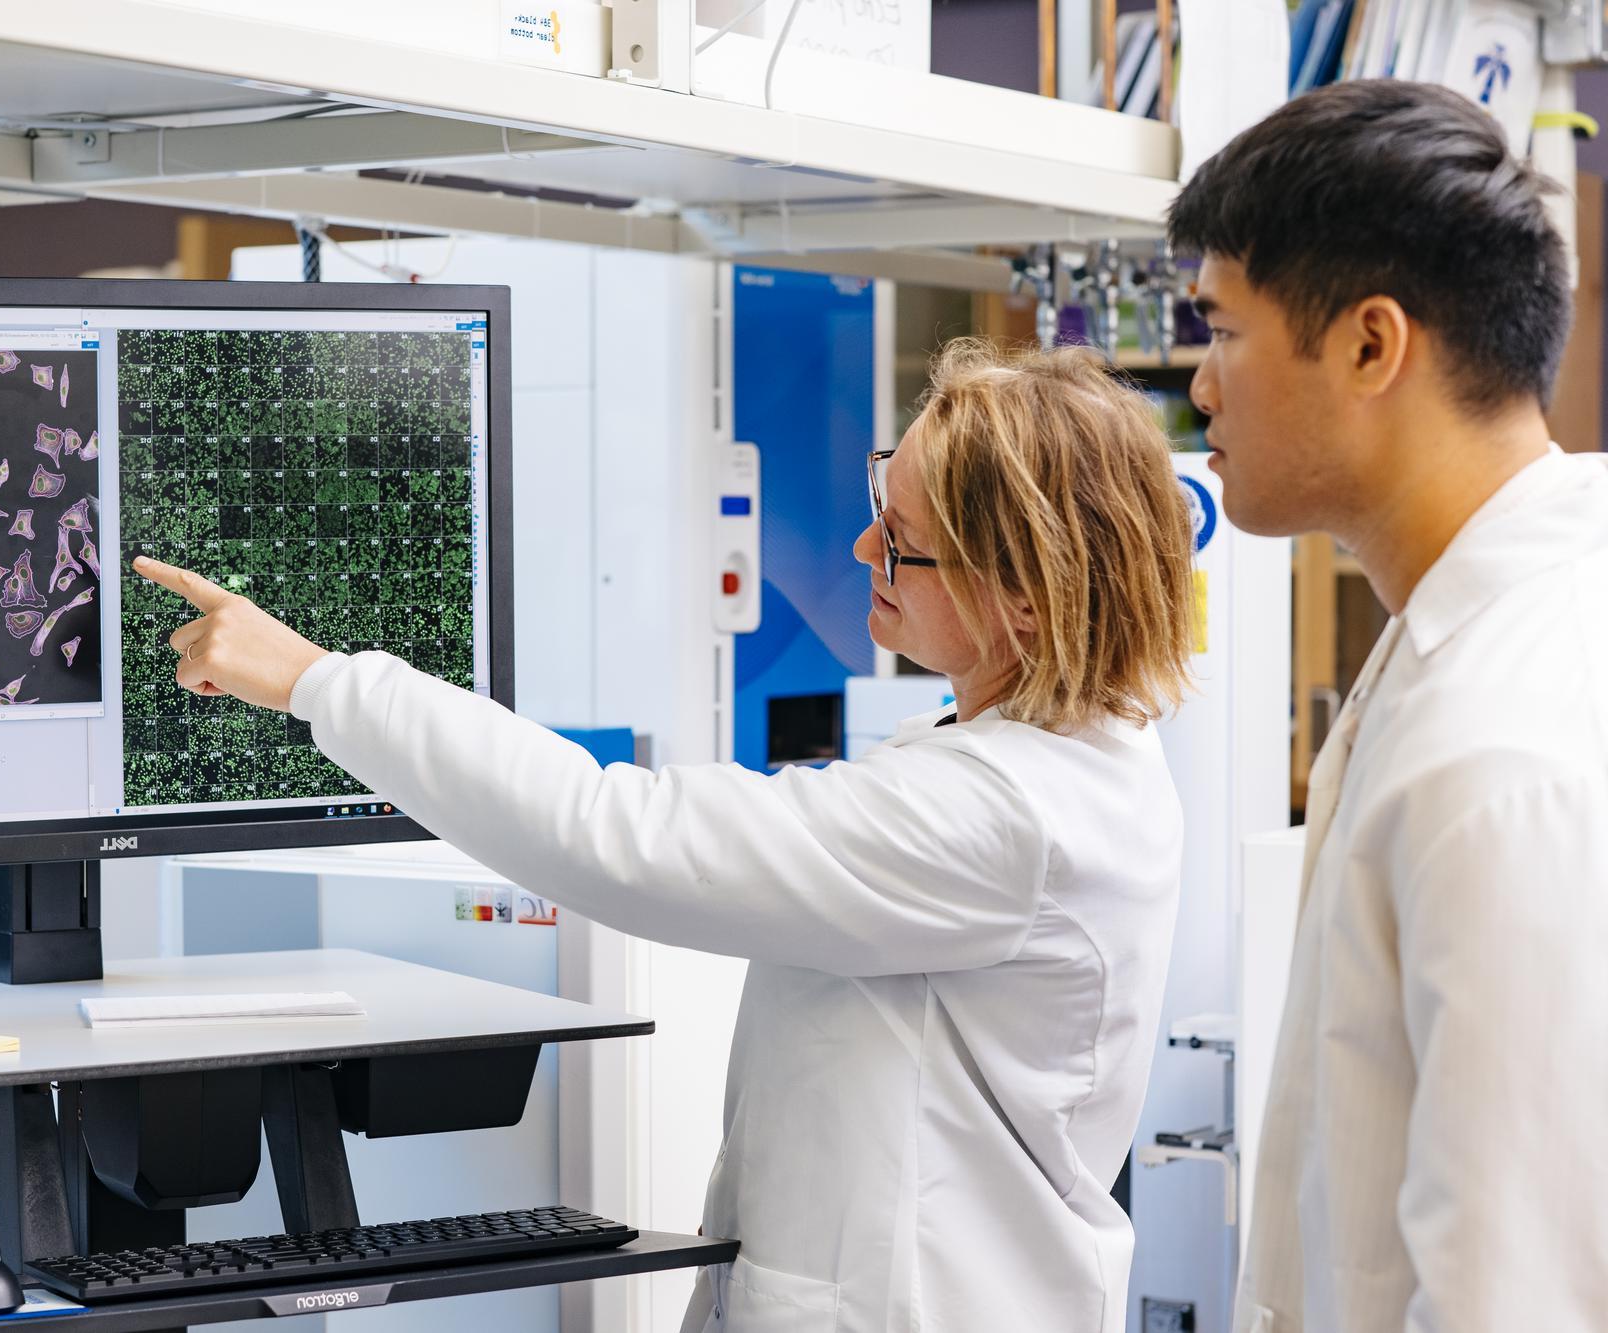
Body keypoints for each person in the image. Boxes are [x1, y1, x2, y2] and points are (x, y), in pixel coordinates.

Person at [135, 340, 1196, 1331]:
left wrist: (320, 681)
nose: (866, 544)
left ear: (1021, 596)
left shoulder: (1002, 815)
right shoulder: (1027, 759)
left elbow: (611, 833)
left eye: (903, 543)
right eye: (883, 503)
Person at [1169, 79, 1608, 1333]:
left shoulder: (1503, 743)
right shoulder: (1461, 641)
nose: (1201, 386)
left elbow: (1515, 1295)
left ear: (1369, 344)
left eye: (1222, 330)